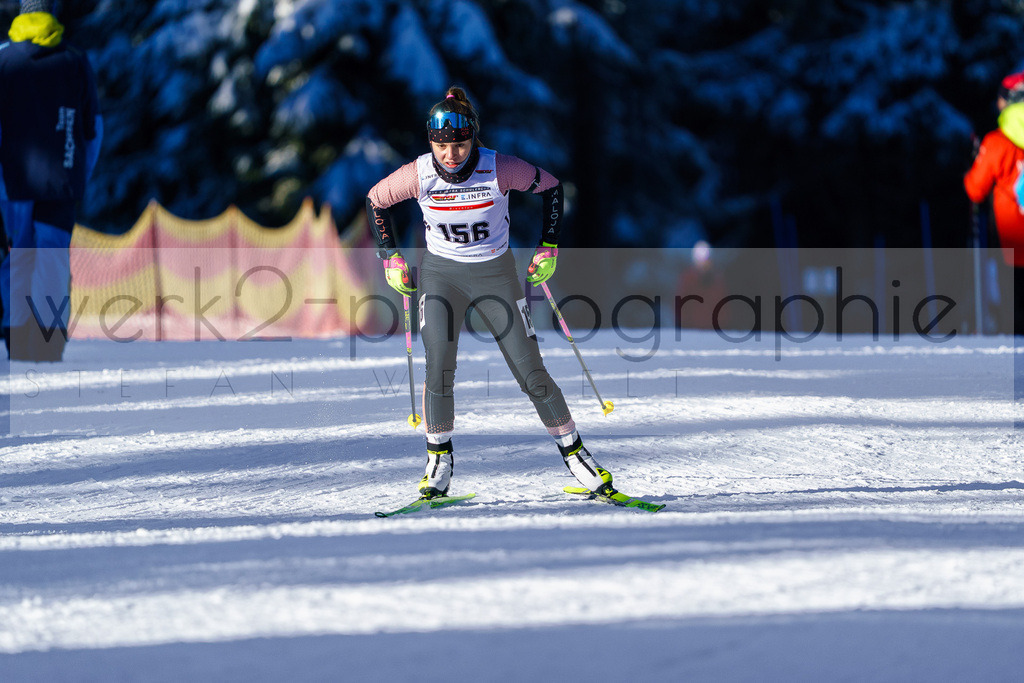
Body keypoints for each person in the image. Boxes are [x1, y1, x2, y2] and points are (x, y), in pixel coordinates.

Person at [366, 86, 615, 499]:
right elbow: (376, 200)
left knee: (530, 371)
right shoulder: (419, 173)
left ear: (473, 139)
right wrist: (389, 258)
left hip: (495, 274)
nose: (451, 155)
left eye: (460, 145)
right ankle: (438, 462)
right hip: (441, 276)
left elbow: (552, 188)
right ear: (431, 142)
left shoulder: (499, 167)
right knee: (439, 366)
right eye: (441, 145)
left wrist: (548, 247)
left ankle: (576, 455)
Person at [0, 0, 103, 361]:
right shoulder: (75, 61)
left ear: (20, 13)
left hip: (10, 185)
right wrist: (79, 177)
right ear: (53, 13)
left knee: (18, 256)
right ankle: (49, 342)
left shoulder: (3, 60)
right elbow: (93, 130)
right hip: (63, 178)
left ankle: (18, 340)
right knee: (53, 256)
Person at [964, 71, 1024, 336]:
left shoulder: (997, 142)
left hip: (1013, 243)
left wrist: (977, 159)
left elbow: (975, 190)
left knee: (1014, 311)